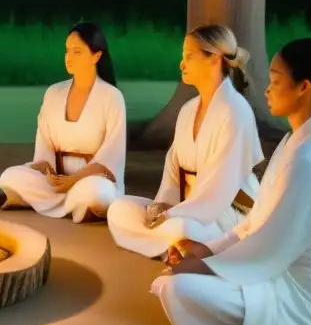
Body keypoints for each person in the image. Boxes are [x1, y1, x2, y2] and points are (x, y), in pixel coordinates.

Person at [152, 38, 311, 325]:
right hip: (273, 265)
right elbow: (257, 220)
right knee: (179, 268)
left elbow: (267, 245)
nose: (267, 89)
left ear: (304, 88)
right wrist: (206, 249)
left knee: (178, 289)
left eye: (276, 80)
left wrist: (202, 265)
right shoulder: (294, 142)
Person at [107, 24, 263, 258]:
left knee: (180, 227)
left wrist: (171, 215)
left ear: (213, 59)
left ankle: (190, 244)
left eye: (189, 57)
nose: (182, 64)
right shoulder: (188, 110)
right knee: (118, 209)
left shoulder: (235, 111)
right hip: (186, 207)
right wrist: (161, 206)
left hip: (228, 210)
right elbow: (172, 172)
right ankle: (180, 246)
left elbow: (219, 192)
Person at [0, 23, 127, 222]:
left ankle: (63, 203)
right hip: (56, 181)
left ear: (96, 56)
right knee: (9, 176)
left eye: (77, 52)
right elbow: (44, 147)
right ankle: (76, 207)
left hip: (91, 180)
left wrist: (73, 181)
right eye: (67, 51)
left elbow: (110, 158)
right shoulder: (54, 93)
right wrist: (50, 175)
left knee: (96, 192)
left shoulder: (111, 96)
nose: (69, 57)